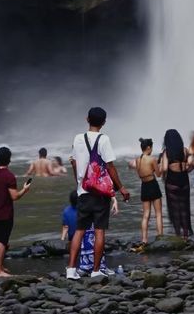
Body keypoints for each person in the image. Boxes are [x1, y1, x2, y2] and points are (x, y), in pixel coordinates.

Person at [66, 106, 130, 280]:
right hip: (100, 192)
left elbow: (73, 162)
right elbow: (109, 166)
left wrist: (79, 182)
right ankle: (96, 270)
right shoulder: (104, 139)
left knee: (79, 230)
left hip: (83, 191)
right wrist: (121, 187)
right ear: (104, 123)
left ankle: (71, 269)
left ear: (87, 119)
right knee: (100, 231)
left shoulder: (78, 138)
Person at [0, 146, 31, 278]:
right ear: (9, 160)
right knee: (2, 241)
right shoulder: (9, 176)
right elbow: (14, 196)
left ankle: (0, 266)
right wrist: (25, 190)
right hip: (5, 213)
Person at [160, 129, 193, 238]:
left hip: (172, 181)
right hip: (184, 180)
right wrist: (187, 170)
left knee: (175, 208)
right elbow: (191, 164)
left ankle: (177, 234)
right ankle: (186, 234)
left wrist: (164, 177)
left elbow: (164, 168)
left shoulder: (166, 152)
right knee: (184, 207)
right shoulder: (185, 150)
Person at [132, 138, 164, 245]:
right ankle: (160, 237)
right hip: (152, 185)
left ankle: (144, 239)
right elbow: (159, 174)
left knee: (146, 214)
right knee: (158, 213)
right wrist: (161, 165)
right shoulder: (152, 159)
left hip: (144, 186)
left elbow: (139, 174)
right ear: (149, 147)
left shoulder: (137, 160)